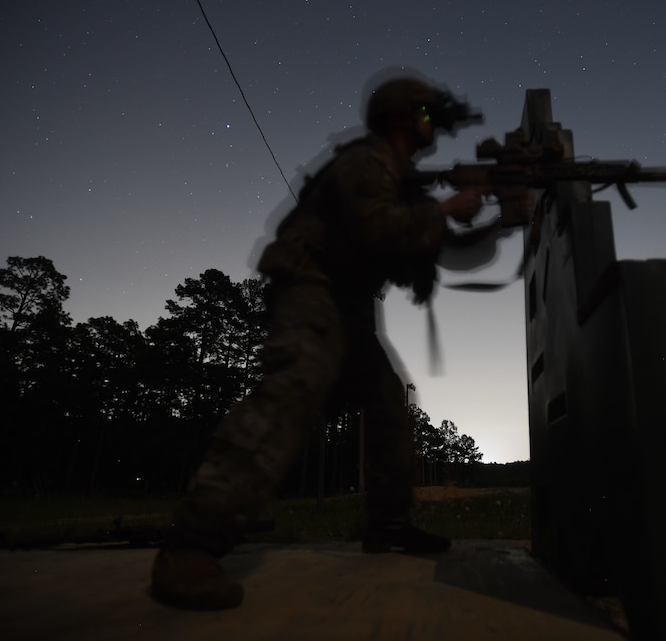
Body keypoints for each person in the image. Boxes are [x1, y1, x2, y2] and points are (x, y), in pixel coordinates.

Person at [150, 75, 487, 610]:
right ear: (402, 118)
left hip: (348, 304)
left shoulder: (399, 180)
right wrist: (446, 210)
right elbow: (379, 230)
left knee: (387, 406)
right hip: (312, 287)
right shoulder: (364, 162)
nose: (433, 123)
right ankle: (191, 547)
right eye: (424, 113)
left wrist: (503, 218)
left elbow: (447, 251)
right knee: (294, 387)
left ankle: (389, 524)